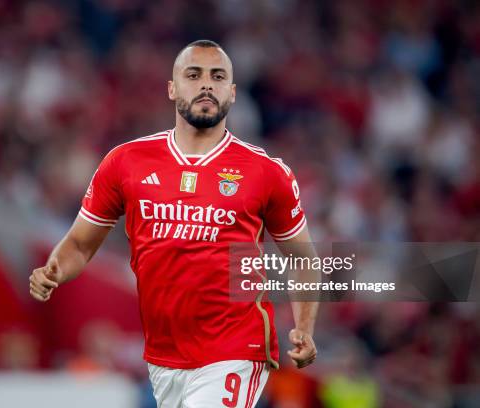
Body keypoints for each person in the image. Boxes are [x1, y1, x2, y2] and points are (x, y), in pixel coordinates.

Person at [29, 39, 318, 407]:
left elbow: (303, 259)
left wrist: (304, 328)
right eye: (193, 75)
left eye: (217, 76)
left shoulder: (266, 172)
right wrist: (54, 269)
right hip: (164, 355)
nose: (206, 85)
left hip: (235, 348)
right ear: (172, 88)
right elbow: (81, 244)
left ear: (231, 92)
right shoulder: (125, 162)